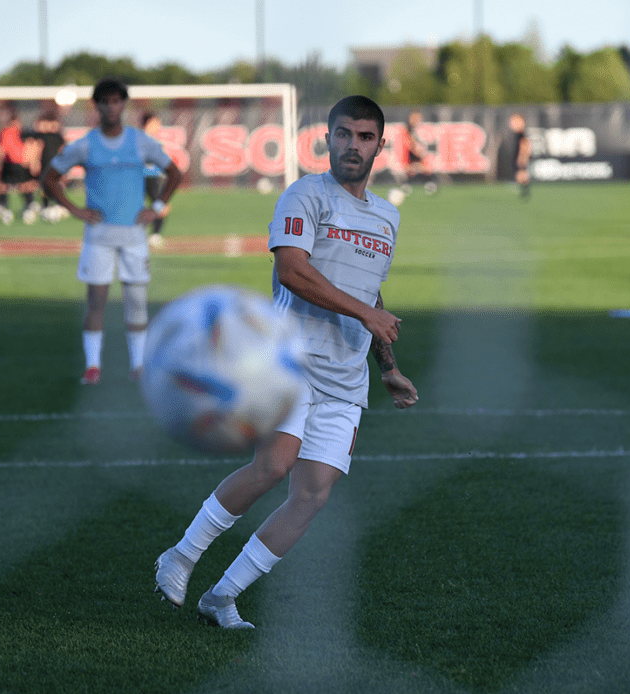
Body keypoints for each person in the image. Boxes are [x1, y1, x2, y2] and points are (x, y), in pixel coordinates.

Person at [153, 95, 419, 630]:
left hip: (347, 377)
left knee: (313, 493)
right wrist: (366, 313)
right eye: (343, 134)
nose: (353, 145)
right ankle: (180, 556)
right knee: (273, 466)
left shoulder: (387, 217)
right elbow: (295, 272)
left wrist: (386, 364)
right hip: (288, 362)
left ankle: (223, 596)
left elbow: (372, 294)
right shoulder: (304, 197)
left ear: (380, 146)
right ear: (326, 138)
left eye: (365, 137)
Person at [42, 78, 182, 385]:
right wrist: (75, 209)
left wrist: (156, 207)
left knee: (136, 302)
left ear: (124, 105)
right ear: (96, 106)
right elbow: (49, 178)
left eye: (117, 101)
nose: (111, 107)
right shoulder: (84, 144)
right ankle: (93, 367)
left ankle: (138, 367)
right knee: (96, 301)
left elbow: (174, 172)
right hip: (99, 235)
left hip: (133, 235)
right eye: (105, 101)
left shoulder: (141, 141)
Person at [0, 105, 38, 224]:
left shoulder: (5, 131)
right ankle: (29, 205)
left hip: (11, 163)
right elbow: (31, 146)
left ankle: (3, 205)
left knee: (6, 185)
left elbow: (0, 150)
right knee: (22, 185)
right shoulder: (18, 131)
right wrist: (32, 161)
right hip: (19, 163)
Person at [24, 108, 68, 222]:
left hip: (55, 165)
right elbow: (36, 148)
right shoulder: (39, 136)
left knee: (56, 185)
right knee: (43, 186)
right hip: (44, 164)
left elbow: (63, 149)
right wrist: (34, 162)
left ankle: (58, 205)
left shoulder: (58, 136)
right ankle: (42, 206)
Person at [140, 112, 171, 247]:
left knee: (158, 206)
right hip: (143, 176)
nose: (158, 125)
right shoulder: (141, 139)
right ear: (149, 123)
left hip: (153, 176)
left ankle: (154, 234)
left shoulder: (153, 141)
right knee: (158, 206)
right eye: (156, 122)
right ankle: (153, 235)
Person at [505, 112, 531, 199]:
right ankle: (524, 190)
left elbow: (525, 146)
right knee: (520, 173)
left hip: (520, 157)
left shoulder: (521, 135)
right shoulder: (517, 135)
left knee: (521, 173)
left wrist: (522, 157)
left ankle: (525, 191)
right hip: (518, 156)